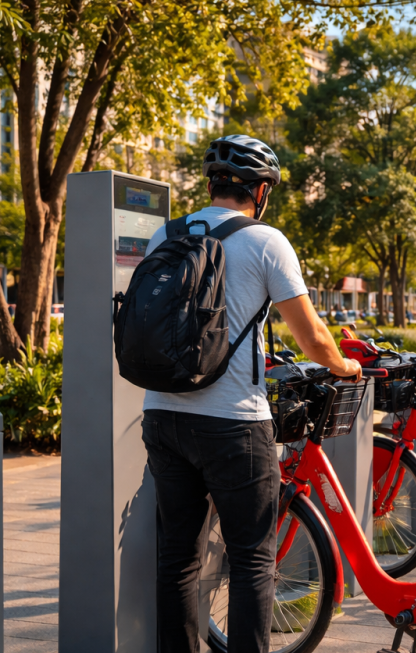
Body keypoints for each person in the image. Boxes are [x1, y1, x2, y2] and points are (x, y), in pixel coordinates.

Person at [140, 135, 363, 653]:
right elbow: (313, 339)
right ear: (260, 190)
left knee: (177, 555)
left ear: (213, 183)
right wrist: (345, 365)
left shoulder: (165, 234)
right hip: (234, 423)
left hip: (163, 415)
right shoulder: (266, 241)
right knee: (252, 558)